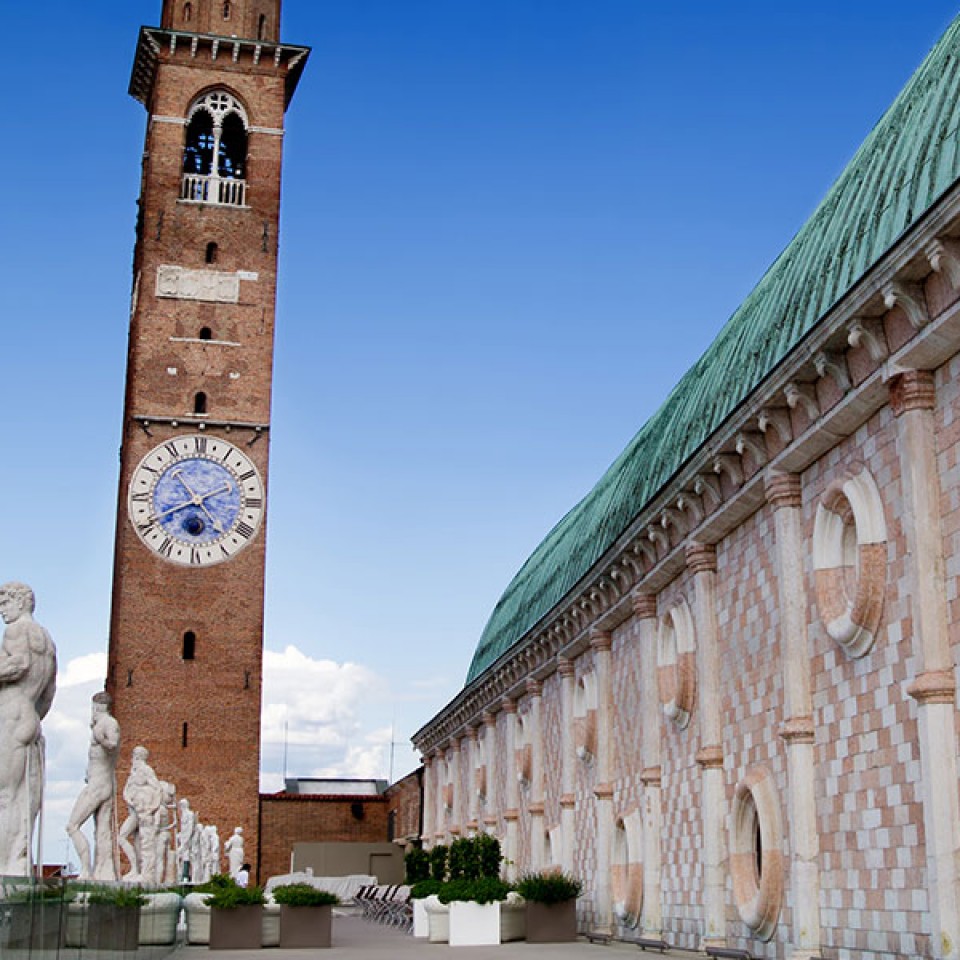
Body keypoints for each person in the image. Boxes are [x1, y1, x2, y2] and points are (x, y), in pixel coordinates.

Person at [0, 582, 57, 876]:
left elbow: (18, 664)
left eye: (4, 603)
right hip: (31, 716)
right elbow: (49, 692)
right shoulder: (46, 639)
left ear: (21, 602)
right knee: (25, 797)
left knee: (5, 796)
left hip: (10, 712)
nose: (1, 610)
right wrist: (33, 715)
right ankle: (19, 859)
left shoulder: (16, 631)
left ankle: (6, 864)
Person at [66, 691, 121, 880]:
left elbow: (113, 744)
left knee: (72, 825)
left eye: (93, 708)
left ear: (97, 708)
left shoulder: (108, 724)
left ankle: (85, 870)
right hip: (102, 782)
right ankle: (104, 871)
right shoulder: (103, 724)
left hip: (99, 785)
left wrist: (100, 738)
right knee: (103, 830)